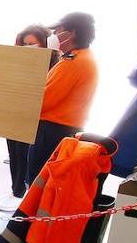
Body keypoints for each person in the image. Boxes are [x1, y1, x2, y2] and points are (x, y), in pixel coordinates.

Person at [25, 12, 99, 183]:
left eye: (57, 31)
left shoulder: (73, 62)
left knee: (38, 181)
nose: (54, 36)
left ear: (71, 33)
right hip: (66, 130)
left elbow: (44, 100)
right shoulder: (84, 57)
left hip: (53, 131)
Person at [0, 24, 52, 209]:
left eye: (33, 44)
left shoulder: (53, 64)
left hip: (34, 117)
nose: (28, 48)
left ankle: (23, 195)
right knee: (14, 154)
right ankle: (15, 191)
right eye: (24, 44)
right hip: (13, 113)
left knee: (26, 156)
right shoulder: (18, 62)